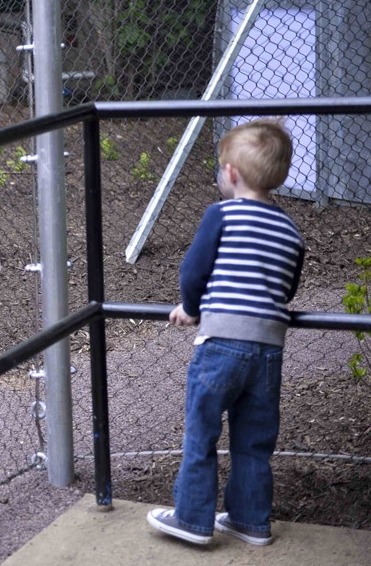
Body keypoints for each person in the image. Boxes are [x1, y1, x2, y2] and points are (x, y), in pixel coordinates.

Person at [146, 119, 306, 547]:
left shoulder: (221, 214)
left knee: (201, 431)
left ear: (231, 173)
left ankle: (193, 518)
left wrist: (191, 308)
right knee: (254, 441)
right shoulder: (290, 230)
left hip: (221, 345)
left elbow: (193, 270)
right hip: (269, 350)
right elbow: (287, 288)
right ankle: (250, 520)